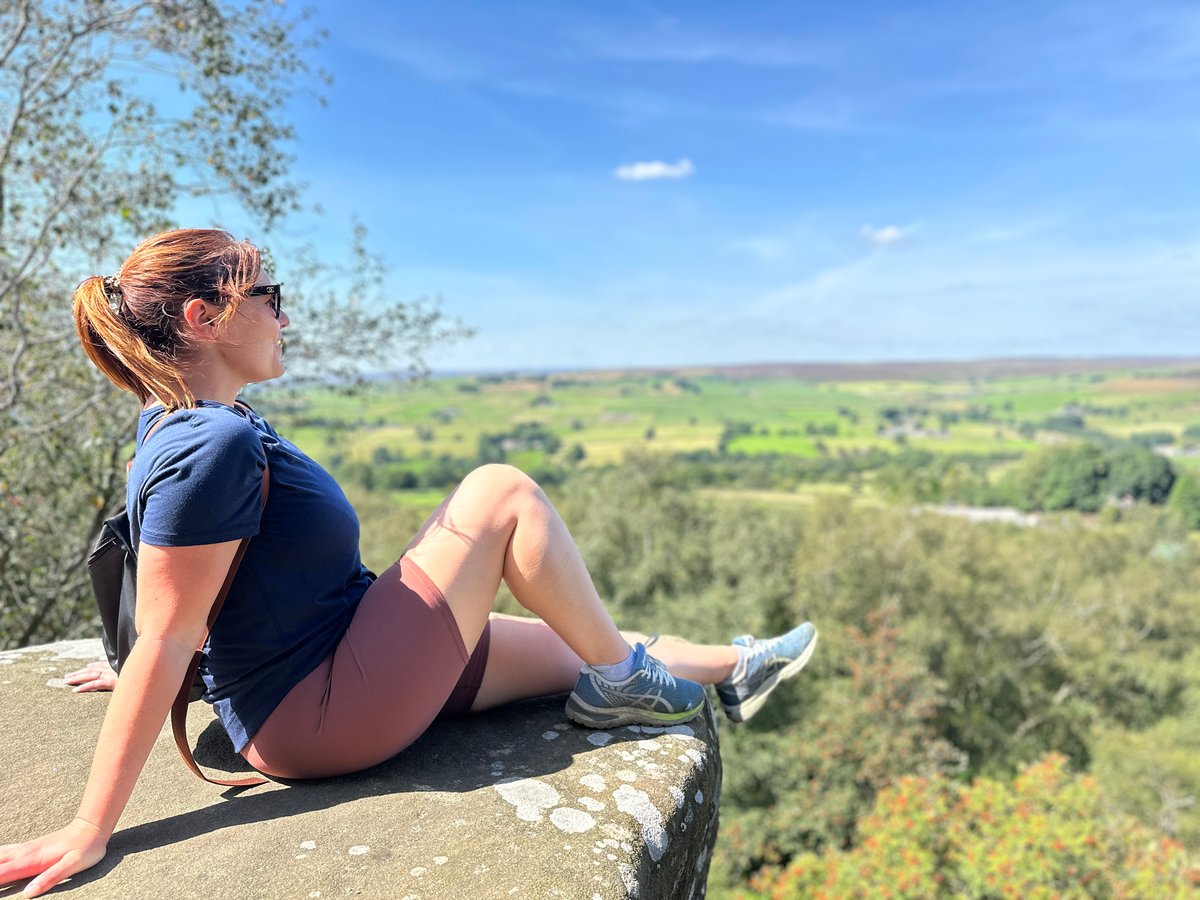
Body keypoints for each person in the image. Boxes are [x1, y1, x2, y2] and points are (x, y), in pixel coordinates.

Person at [0, 229, 817, 897]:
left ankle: (734, 668)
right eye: (269, 297)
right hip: (317, 709)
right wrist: (90, 826)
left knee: (582, 640)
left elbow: (193, 583)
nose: (285, 315)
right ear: (203, 316)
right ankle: (624, 683)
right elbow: (170, 629)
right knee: (500, 492)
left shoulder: (186, 418)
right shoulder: (207, 442)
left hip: (343, 652)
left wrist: (147, 660)